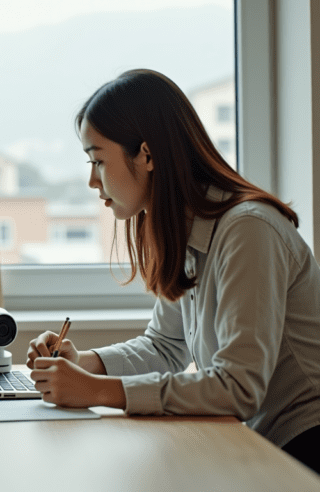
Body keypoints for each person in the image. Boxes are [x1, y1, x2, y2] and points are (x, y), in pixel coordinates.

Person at [26, 69, 320, 473]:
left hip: (305, 446)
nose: (92, 180)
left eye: (98, 160)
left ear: (146, 156)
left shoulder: (248, 230)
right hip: (260, 441)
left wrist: (97, 391)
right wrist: (85, 363)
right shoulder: (185, 230)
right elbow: (166, 346)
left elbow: (239, 388)